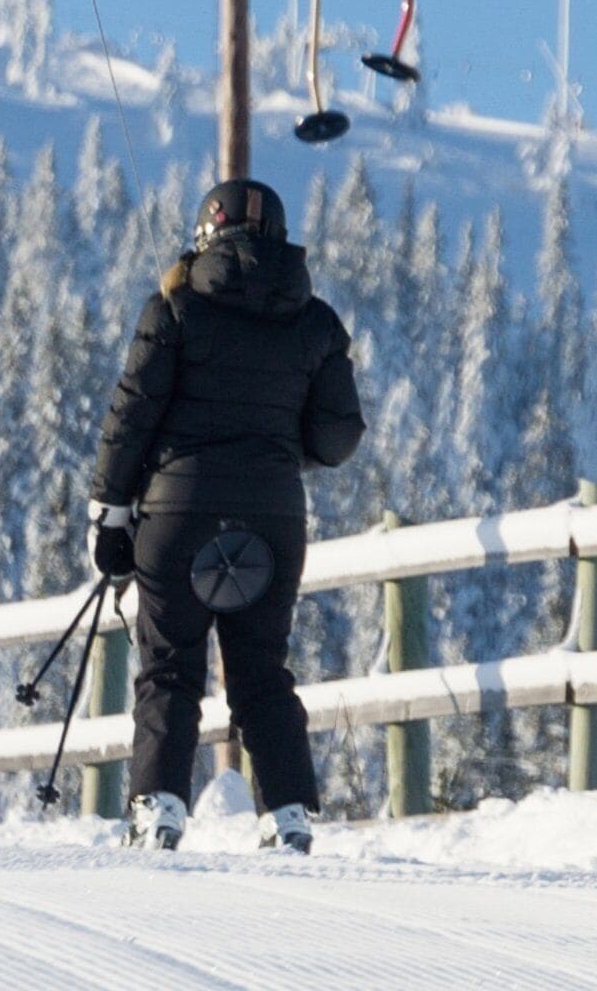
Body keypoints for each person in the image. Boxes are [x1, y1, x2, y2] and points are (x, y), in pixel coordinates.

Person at [90, 178, 365, 853]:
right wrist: (277, 446)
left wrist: (110, 516)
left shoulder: (173, 310)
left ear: (203, 235)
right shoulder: (318, 324)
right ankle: (290, 815)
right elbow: (337, 440)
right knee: (262, 671)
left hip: (175, 517)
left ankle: (158, 809)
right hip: (272, 518)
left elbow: (130, 418)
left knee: (169, 669)